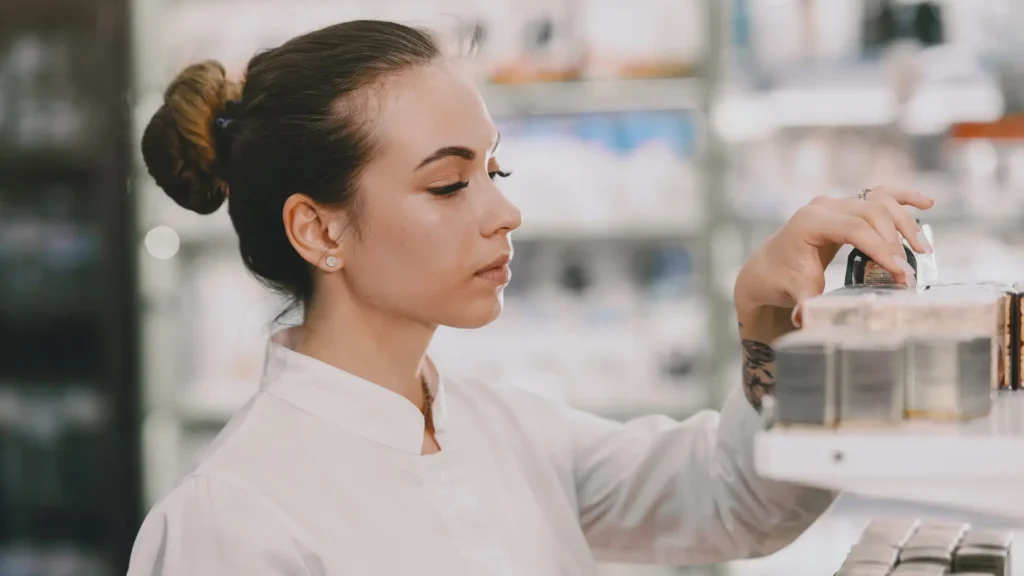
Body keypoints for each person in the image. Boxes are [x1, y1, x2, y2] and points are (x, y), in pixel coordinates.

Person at [128, 19, 934, 576]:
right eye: (449, 184)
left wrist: (768, 317)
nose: (505, 212)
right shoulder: (232, 519)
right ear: (317, 229)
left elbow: (737, 500)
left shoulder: (508, 430)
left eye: (495, 170)